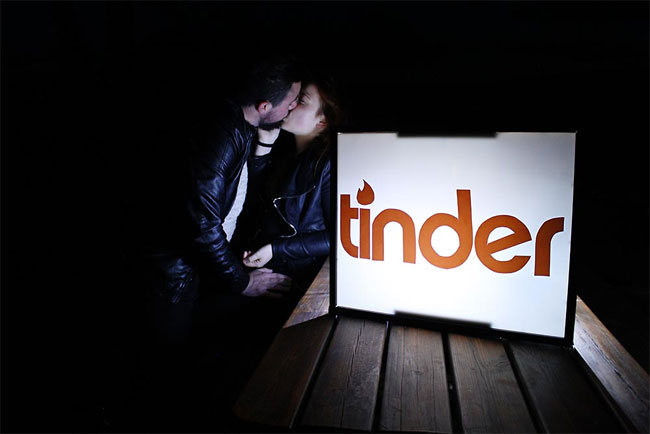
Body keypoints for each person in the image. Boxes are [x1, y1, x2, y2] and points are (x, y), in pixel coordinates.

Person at [120, 56, 303, 430]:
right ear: (264, 106)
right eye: (291, 102)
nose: (293, 107)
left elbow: (239, 194)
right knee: (160, 376)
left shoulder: (241, 126)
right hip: (170, 278)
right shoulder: (220, 136)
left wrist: (265, 145)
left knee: (185, 363)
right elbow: (202, 228)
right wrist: (242, 281)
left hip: (192, 271)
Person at [229, 71, 342, 333]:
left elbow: (339, 236)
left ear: (322, 120)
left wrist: (275, 249)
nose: (290, 104)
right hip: (258, 267)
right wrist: (264, 146)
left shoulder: (328, 164)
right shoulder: (285, 151)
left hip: (292, 280)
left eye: (301, 101)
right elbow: (252, 203)